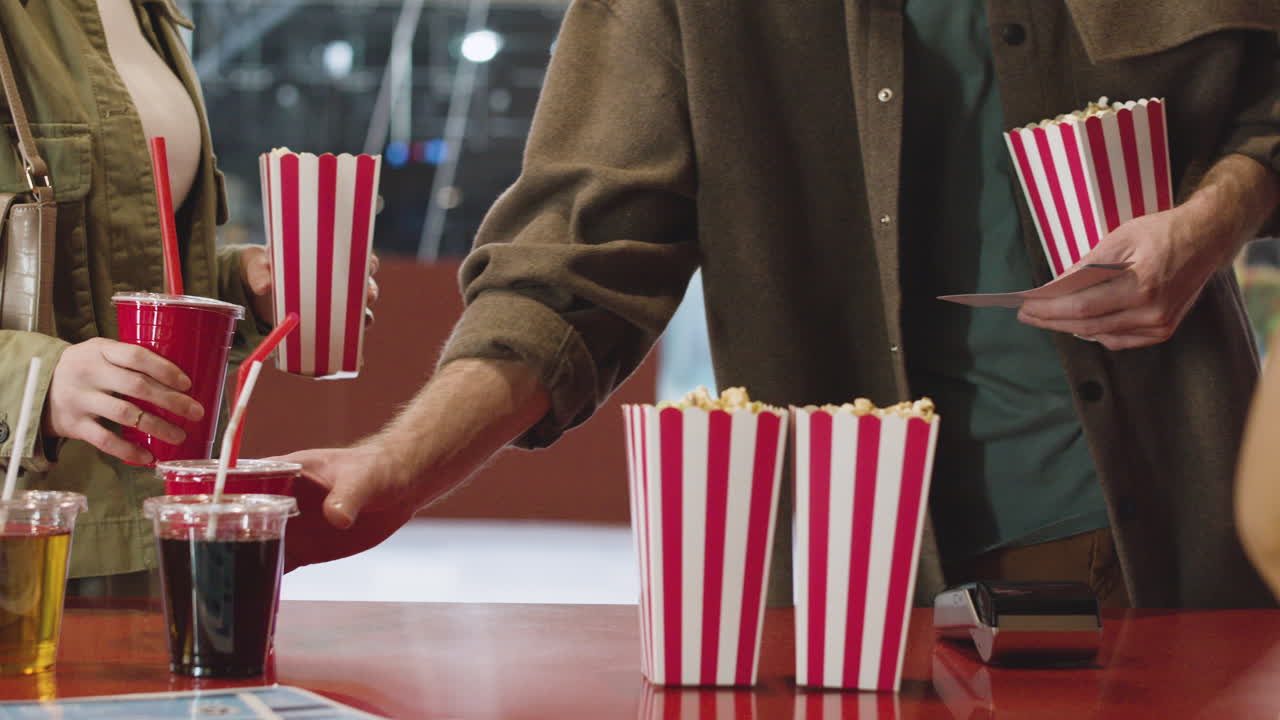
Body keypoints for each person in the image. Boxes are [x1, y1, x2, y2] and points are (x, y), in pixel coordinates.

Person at [281, 1, 1280, 609]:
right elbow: (567, 267)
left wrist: (1217, 211)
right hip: (854, 581)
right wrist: (396, 468)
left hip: (1176, 543)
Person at [1, 1, 294, 596]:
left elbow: (112, 260)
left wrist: (240, 284)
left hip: (146, 526)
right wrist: (30, 382)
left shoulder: (153, 13)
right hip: (26, 536)